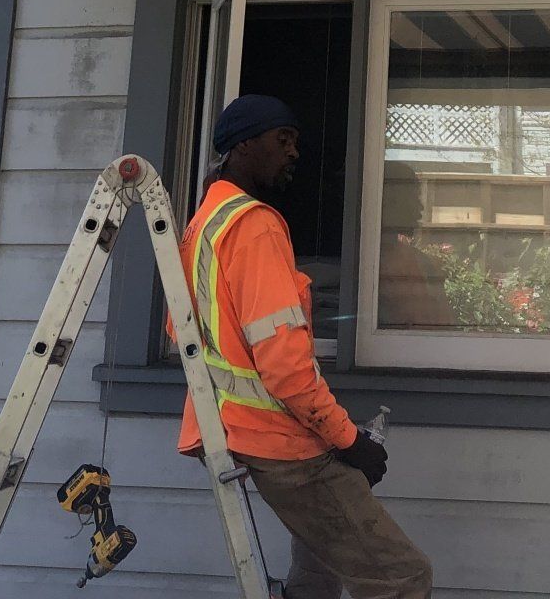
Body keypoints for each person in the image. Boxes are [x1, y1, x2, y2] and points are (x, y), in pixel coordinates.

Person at [178, 94, 433, 599]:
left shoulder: (204, 224)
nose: (294, 152)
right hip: (281, 442)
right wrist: (349, 441)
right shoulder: (254, 226)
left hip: (243, 429)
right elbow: (286, 367)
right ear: (244, 146)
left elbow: (186, 332)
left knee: (317, 576)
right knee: (403, 578)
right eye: (283, 140)